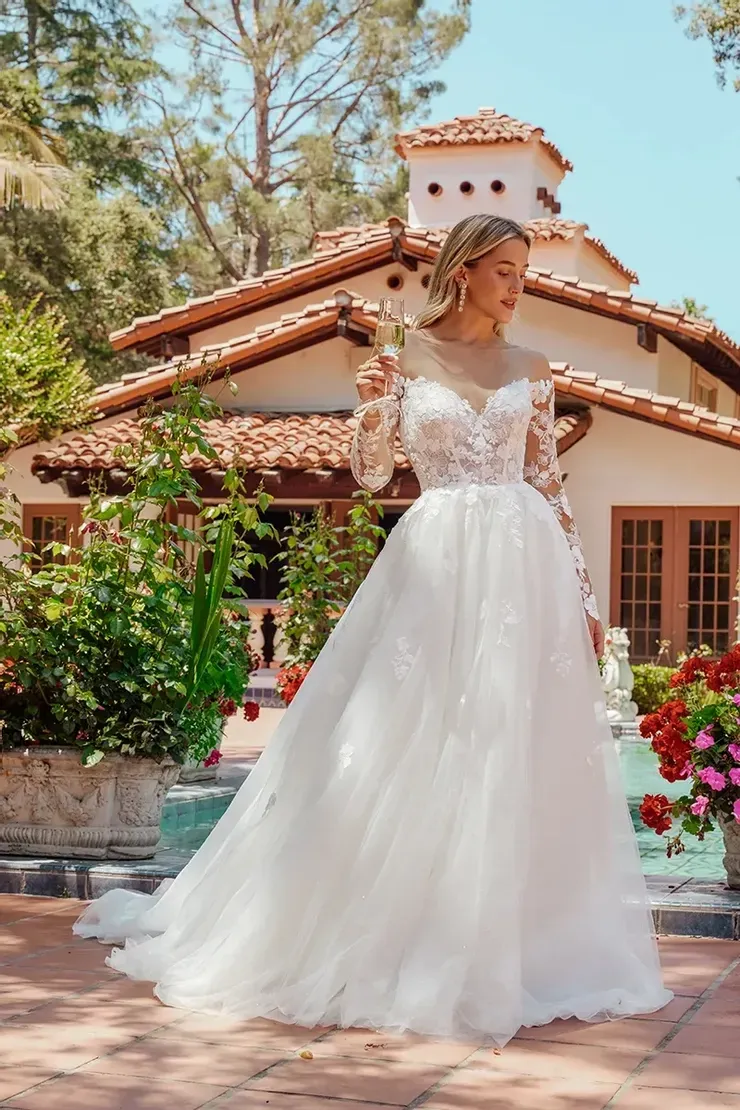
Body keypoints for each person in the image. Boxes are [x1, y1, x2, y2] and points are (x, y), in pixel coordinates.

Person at [74, 213, 672, 1047]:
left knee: (509, 742)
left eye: (523, 272)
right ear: (462, 270)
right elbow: (372, 475)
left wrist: (581, 592)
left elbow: (549, 482)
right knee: (405, 734)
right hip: (432, 560)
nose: (517, 286)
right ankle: (395, 927)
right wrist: (368, 406)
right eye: (505, 270)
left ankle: (514, 942)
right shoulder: (402, 359)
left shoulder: (532, 368)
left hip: (522, 559)